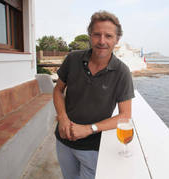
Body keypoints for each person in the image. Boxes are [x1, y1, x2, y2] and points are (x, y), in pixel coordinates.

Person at [53, 10, 135, 179]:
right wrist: (62, 116)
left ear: (117, 40)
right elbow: (57, 90)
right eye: (97, 34)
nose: (102, 41)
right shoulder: (73, 59)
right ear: (90, 35)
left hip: (93, 148)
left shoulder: (122, 72)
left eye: (108, 36)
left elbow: (125, 116)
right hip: (63, 140)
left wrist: (89, 129)